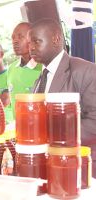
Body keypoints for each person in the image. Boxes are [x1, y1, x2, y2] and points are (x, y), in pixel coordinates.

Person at [28, 18, 96, 178]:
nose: (31, 47)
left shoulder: (86, 71)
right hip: (49, 165)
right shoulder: (39, 79)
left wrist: (55, 137)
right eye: (30, 42)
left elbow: (94, 121)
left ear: (56, 39)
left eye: (37, 41)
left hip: (81, 166)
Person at [7, 22, 42, 119]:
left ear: (33, 39)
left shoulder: (43, 68)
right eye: (13, 38)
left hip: (39, 128)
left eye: (20, 37)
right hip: (17, 128)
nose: (15, 41)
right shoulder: (11, 69)